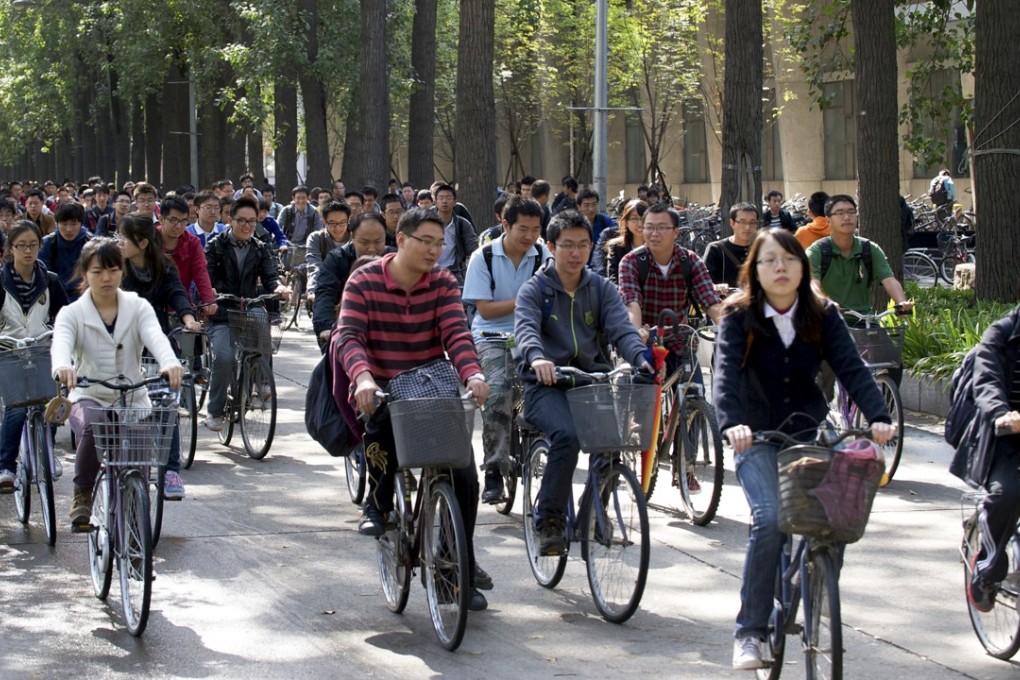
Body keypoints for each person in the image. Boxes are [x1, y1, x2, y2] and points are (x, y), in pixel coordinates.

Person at [713, 227, 895, 670]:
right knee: (770, 520)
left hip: (807, 434)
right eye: (770, 260)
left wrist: (878, 417)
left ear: (802, 267)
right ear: (754, 270)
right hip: (755, 437)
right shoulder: (739, 316)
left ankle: (813, 587)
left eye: (789, 260)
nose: (780, 268)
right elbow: (724, 378)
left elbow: (851, 367)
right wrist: (732, 424)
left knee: (835, 516)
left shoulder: (822, 313)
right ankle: (751, 632)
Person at [337, 207, 492, 610]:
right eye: (426, 241)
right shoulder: (364, 279)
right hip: (383, 388)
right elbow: (349, 336)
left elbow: (456, 333)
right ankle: (378, 502)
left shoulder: (442, 282)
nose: (434, 251)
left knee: (464, 476)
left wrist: (473, 374)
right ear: (401, 239)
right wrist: (363, 378)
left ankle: (456, 565)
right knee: (381, 432)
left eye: (440, 243)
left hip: (431, 389)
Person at [513, 209, 651, 555]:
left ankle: (593, 512)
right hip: (546, 386)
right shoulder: (534, 290)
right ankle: (550, 520)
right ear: (550, 247)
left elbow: (622, 329)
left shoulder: (601, 288)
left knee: (611, 445)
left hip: (593, 382)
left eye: (583, 245)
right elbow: (526, 330)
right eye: (567, 246)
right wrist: (538, 358)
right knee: (567, 437)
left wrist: (641, 358)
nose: (576, 254)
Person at [51, 239, 184, 529]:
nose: (106, 278)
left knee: (135, 465)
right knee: (93, 424)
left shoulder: (138, 307)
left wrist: (169, 362)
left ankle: (135, 533)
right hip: (88, 393)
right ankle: (82, 492)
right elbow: (61, 343)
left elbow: (155, 336)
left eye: (113, 270)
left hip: (133, 397)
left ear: (122, 272)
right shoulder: (71, 313)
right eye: (98, 271)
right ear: (85, 273)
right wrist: (62, 366)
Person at [461, 196, 551, 503]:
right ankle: (494, 471)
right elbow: (485, 309)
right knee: (497, 391)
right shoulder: (483, 257)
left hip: (533, 334)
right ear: (505, 225)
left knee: (551, 387)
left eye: (535, 229)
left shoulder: (543, 255)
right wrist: (527, 298)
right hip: (491, 334)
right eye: (522, 229)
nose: (529, 236)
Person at [118, 214, 201, 500]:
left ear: (142, 243)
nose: (120, 243)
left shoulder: (164, 268)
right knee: (123, 407)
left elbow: (178, 294)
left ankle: (171, 470)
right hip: (122, 350)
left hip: (158, 346)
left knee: (166, 407)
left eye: (124, 238)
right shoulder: (116, 269)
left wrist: (188, 318)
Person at [952, 304, 1020, 613]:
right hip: (1003, 439)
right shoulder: (1000, 334)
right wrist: (1002, 414)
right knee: (1008, 493)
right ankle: (986, 569)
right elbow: (986, 380)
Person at [202, 196, 289, 431]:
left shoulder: (260, 247)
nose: (247, 226)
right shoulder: (215, 244)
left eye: (252, 221)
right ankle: (215, 410)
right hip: (220, 310)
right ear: (230, 219)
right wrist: (208, 291)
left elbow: (271, 275)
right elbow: (205, 273)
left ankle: (258, 375)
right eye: (242, 220)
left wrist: (279, 287)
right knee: (225, 357)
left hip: (249, 306)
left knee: (262, 321)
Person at [0, 222, 70, 493]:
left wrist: (61, 336)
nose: (27, 251)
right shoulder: (1, 280)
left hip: (43, 350)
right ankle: (6, 465)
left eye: (32, 245)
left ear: (40, 246)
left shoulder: (50, 280)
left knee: (50, 406)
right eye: (21, 246)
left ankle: (47, 451)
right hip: (10, 351)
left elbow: (66, 315)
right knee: (16, 409)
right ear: (10, 249)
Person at [618, 202, 723, 379]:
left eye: (662, 228)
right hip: (646, 342)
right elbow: (631, 303)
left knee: (694, 393)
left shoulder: (690, 261)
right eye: (649, 227)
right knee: (644, 395)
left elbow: (710, 301)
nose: (654, 234)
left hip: (679, 342)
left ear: (676, 232)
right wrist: (635, 335)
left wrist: (728, 327)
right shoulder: (631, 262)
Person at [805, 194, 912, 318]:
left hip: (865, 320)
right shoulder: (817, 251)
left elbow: (889, 279)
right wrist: (823, 301)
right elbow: (812, 284)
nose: (846, 217)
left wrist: (901, 302)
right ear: (828, 220)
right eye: (840, 213)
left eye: (851, 212)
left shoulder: (870, 249)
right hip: (829, 320)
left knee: (882, 336)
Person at [311, 212, 392, 349]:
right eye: (364, 242)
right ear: (352, 237)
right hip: (345, 329)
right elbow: (325, 292)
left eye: (378, 242)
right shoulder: (337, 259)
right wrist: (325, 327)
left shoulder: (394, 260)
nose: (372, 249)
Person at [40, 202, 92, 303]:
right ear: (57, 223)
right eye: (64, 224)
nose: (69, 229)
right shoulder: (48, 243)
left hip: (85, 296)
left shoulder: (90, 243)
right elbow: (43, 276)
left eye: (73, 224)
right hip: (55, 297)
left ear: (81, 223)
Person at [703, 203, 759, 290]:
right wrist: (717, 287)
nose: (748, 227)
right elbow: (705, 282)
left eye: (752, 222)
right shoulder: (716, 249)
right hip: (726, 301)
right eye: (742, 222)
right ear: (732, 223)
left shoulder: (762, 249)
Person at [433, 183, 478, 286]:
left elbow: (473, 248)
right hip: (430, 270)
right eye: (441, 198)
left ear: (455, 202)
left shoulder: (462, 224)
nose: (444, 201)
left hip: (454, 272)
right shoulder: (426, 223)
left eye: (448, 198)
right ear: (435, 202)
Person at [305, 200, 351, 296]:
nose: (338, 228)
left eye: (342, 223)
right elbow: (314, 266)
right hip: (326, 288)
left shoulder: (357, 237)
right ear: (324, 221)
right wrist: (313, 291)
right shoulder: (316, 238)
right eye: (333, 223)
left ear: (349, 219)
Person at [599, 199, 647, 284]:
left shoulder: (657, 246)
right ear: (626, 222)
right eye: (634, 219)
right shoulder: (616, 248)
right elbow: (613, 281)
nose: (640, 224)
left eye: (643, 218)